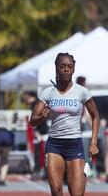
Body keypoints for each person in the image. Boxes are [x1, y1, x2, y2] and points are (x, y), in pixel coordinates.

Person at [30, 52, 99, 196]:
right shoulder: (48, 93)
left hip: (74, 144)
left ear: (74, 69)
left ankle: (82, 173)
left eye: (70, 66)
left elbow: (95, 116)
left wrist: (93, 143)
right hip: (54, 144)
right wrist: (42, 117)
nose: (66, 69)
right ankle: (80, 173)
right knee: (56, 190)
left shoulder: (82, 92)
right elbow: (32, 122)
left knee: (76, 193)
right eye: (62, 66)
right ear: (57, 68)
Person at [22, 91, 48, 180]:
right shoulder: (36, 104)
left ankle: (41, 173)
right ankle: (42, 173)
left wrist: (37, 131)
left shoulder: (36, 104)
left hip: (42, 133)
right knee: (41, 154)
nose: (25, 100)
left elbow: (40, 118)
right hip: (41, 132)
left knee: (41, 154)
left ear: (30, 96)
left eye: (26, 97)